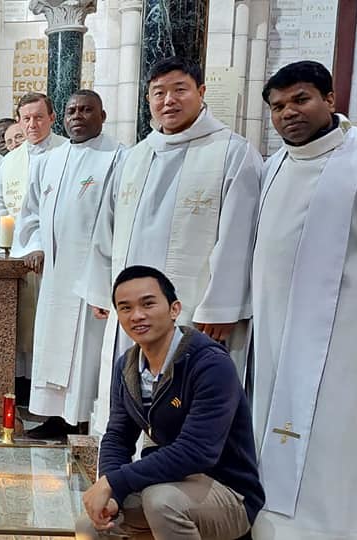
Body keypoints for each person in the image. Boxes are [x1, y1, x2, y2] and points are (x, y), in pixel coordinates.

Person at [84, 56, 261, 435]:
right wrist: (102, 289)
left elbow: (238, 236)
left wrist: (221, 305)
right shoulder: (135, 155)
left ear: (201, 92)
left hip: (195, 309)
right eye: (158, 93)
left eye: (179, 90)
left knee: (184, 404)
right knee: (131, 392)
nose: (168, 101)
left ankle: (181, 478)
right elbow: (107, 228)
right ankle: (123, 467)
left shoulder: (232, 151)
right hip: (131, 309)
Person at [250, 61, 357, 539]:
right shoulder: (275, 162)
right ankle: (273, 520)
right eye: (278, 107)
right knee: (272, 423)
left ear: (331, 100)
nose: (288, 114)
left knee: (332, 431)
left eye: (300, 100)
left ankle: (335, 527)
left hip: (342, 334)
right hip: (275, 328)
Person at [76, 265, 263, 540]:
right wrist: (113, 493)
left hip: (228, 491)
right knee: (89, 525)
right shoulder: (127, 366)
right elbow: (118, 437)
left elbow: (197, 451)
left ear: (174, 309)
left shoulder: (210, 364)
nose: (137, 315)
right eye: (125, 308)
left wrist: (116, 482)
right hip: (171, 482)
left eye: (148, 304)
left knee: (160, 501)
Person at [17, 90, 124, 439]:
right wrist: (35, 245)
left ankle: (82, 420)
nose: (77, 116)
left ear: (102, 116)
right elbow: (30, 212)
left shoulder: (118, 158)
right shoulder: (50, 160)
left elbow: (121, 221)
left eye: (86, 110)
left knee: (86, 354)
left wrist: (109, 281)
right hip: (55, 275)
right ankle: (55, 418)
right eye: (71, 110)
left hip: (92, 277)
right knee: (52, 348)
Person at [0, 92, 65, 405]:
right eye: (26, 118)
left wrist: (44, 245)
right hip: (19, 255)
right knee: (21, 324)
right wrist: (11, 241)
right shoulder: (10, 161)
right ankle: (22, 389)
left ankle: (50, 398)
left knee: (51, 328)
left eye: (38, 117)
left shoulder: (66, 151)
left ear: (52, 118)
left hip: (57, 257)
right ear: (19, 120)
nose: (32, 124)